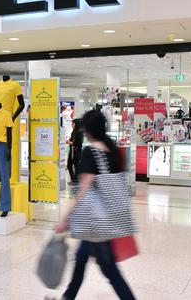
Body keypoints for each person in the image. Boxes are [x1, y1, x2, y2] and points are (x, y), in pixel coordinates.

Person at [54, 110, 136, 300]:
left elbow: (83, 191)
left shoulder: (91, 152)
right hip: (106, 219)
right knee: (81, 259)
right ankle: (68, 296)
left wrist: (65, 219)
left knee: (110, 271)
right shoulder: (113, 151)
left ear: (88, 130)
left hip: (96, 223)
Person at [66, 119, 83, 185]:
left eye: (73, 124)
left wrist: (71, 142)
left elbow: (79, 143)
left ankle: (76, 180)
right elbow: (71, 140)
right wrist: (69, 141)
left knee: (76, 166)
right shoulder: (73, 132)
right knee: (69, 165)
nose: (72, 125)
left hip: (77, 152)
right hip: (72, 151)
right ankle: (73, 179)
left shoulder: (80, 132)